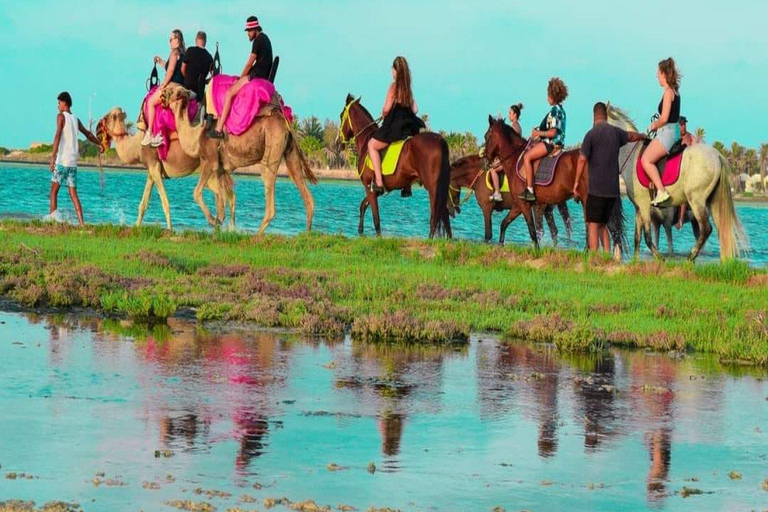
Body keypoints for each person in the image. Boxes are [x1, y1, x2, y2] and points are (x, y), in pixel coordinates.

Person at [574, 102, 645, 252]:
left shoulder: (591, 135)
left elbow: (581, 160)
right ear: (606, 116)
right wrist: (642, 136)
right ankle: (607, 256)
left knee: (593, 224)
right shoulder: (616, 132)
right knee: (603, 224)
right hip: (613, 192)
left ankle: (594, 257)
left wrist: (575, 184)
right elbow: (631, 136)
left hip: (597, 190)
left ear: (594, 116)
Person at [366, 56, 426, 195]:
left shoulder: (393, 87)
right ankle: (407, 185)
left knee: (372, 146)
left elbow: (387, 108)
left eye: (392, 69)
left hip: (395, 125)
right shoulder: (407, 89)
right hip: (409, 125)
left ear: (395, 71)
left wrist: (383, 112)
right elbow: (415, 110)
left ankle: (379, 182)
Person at [209, 16, 273, 139]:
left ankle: (219, 129)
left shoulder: (258, 41)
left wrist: (241, 77)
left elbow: (249, 63)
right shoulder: (265, 39)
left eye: (249, 31)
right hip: (260, 74)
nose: (248, 34)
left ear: (255, 29)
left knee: (229, 93)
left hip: (255, 76)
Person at [48, 91, 102, 226]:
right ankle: (82, 224)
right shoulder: (75, 119)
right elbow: (88, 134)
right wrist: (99, 144)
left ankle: (53, 221)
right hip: (72, 164)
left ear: (64, 102)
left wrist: (53, 157)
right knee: (73, 194)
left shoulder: (61, 117)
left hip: (62, 162)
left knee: (53, 192)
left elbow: (57, 136)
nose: (58, 106)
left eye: (59, 103)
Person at [519, 78, 568, 202]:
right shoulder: (561, 110)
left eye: (548, 95)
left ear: (553, 96)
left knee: (527, 157)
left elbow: (552, 132)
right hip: (559, 143)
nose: (547, 98)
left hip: (551, 144)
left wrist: (538, 133)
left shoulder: (554, 111)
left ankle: (529, 190)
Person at [641, 57, 682, 207]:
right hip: (674, 131)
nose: (657, 76)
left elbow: (664, 118)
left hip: (667, 132)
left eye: (658, 73)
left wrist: (653, 126)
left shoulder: (667, 92)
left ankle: (661, 191)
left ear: (664, 74)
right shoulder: (675, 92)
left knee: (646, 159)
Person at [142, 29, 186, 147]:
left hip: (171, 86)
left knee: (150, 102)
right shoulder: (182, 54)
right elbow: (171, 67)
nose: (170, 41)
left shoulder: (174, 53)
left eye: (171, 39)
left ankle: (150, 133)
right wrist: (160, 61)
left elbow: (171, 71)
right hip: (180, 86)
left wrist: (164, 84)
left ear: (177, 39)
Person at [490, 103, 523, 202]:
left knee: (493, 170)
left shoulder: (514, 127)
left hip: (512, 159)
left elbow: (510, 146)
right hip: (514, 157)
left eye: (510, 113)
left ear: (515, 115)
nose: (509, 115)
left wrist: (500, 161)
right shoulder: (517, 126)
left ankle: (497, 193)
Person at [676, 115, 696, 228]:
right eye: (681, 124)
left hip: (687, 168)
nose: (683, 127)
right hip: (677, 167)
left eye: (684, 124)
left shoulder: (690, 137)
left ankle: (681, 219)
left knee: (683, 190)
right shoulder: (674, 137)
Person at [182, 31, 213, 100]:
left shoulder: (190, 50)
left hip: (186, 89)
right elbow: (214, 76)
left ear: (196, 40)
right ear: (205, 42)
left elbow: (182, 68)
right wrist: (205, 81)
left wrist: (187, 77)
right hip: (199, 93)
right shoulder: (209, 57)